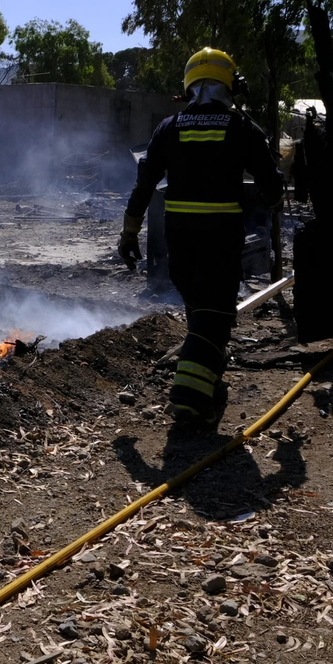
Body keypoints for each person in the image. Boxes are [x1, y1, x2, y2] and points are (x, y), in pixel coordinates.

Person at [119, 48, 284, 425]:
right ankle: (188, 399)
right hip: (220, 238)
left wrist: (129, 235)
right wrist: (266, 200)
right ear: (230, 84)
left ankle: (209, 381)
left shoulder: (168, 127)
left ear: (189, 84)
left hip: (178, 240)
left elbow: (143, 187)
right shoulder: (241, 126)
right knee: (217, 316)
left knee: (200, 311)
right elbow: (272, 187)